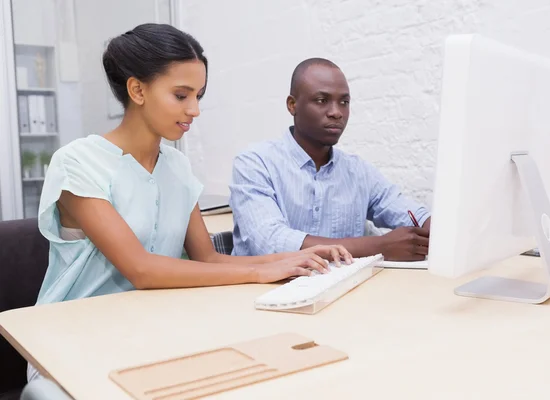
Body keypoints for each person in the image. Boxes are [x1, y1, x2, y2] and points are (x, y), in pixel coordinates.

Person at [27, 25, 351, 382]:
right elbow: (142, 269)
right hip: (71, 342)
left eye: (199, 95)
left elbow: (207, 258)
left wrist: (292, 259)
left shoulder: (178, 166)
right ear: (137, 90)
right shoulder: (77, 163)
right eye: (181, 95)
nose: (194, 109)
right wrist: (259, 271)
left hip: (150, 333)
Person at [229, 58, 431, 261]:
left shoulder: (357, 171)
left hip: (338, 289)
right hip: (261, 291)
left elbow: (409, 211)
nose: (336, 113)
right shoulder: (255, 163)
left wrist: (433, 227)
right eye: (321, 100)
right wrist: (380, 246)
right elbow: (270, 242)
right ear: (292, 105)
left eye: (344, 102)